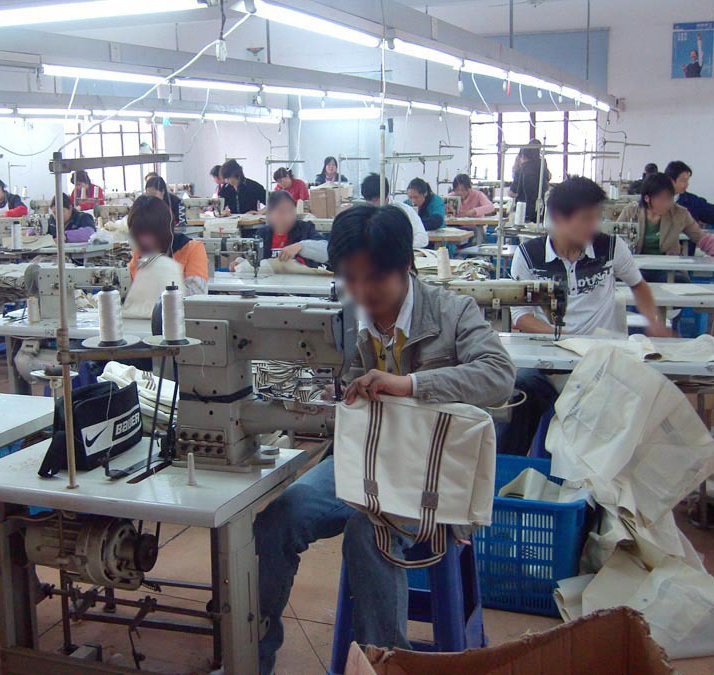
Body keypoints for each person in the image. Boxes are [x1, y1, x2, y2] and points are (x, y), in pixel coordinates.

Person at [254, 204, 515, 674]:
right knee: (279, 518)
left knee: (368, 532)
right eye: (349, 279)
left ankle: (384, 667)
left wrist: (411, 386)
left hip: (430, 474)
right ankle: (254, 657)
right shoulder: (347, 318)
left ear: (405, 266)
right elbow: (335, 389)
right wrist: (321, 398)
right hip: (364, 463)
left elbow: (499, 376)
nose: (361, 291)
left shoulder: (452, 312)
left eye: (373, 279)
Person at [497, 176, 669, 455]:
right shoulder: (529, 256)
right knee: (520, 392)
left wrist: (654, 323)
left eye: (596, 217)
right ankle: (507, 471)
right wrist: (564, 337)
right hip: (549, 361)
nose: (594, 226)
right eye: (586, 218)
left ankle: (596, 474)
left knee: (635, 399)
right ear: (558, 218)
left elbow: (638, 285)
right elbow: (521, 315)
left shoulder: (610, 248)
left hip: (601, 358)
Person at [617, 173, 714, 263]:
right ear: (647, 198)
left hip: (669, 268)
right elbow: (614, 239)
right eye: (661, 199)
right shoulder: (631, 212)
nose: (666, 204)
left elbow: (701, 238)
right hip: (634, 267)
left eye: (669, 198)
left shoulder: (679, 213)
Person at [127, 195, 207, 296]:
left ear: (163, 230)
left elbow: (196, 293)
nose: (143, 240)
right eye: (138, 233)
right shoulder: (139, 255)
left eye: (148, 233)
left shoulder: (192, 249)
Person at [233, 190, 325, 270]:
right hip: (270, 283)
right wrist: (239, 263)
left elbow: (326, 251)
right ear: (269, 214)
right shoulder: (262, 234)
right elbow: (252, 258)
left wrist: (301, 246)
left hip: (301, 283)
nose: (287, 217)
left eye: (291, 211)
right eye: (281, 212)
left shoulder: (305, 229)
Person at [361, 173, 428, 248]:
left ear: (386, 195)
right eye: (368, 200)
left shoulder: (404, 210)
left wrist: (397, 246)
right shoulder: (362, 213)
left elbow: (422, 239)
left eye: (375, 200)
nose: (371, 204)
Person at [509, 140, 550, 223]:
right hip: (540, 210)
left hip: (524, 211)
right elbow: (547, 180)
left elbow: (512, 192)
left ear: (523, 156)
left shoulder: (521, 170)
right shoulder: (542, 165)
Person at [664, 160, 714, 227]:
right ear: (670, 180)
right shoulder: (653, 200)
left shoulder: (694, 202)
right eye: (683, 180)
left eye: (687, 180)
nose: (687, 184)